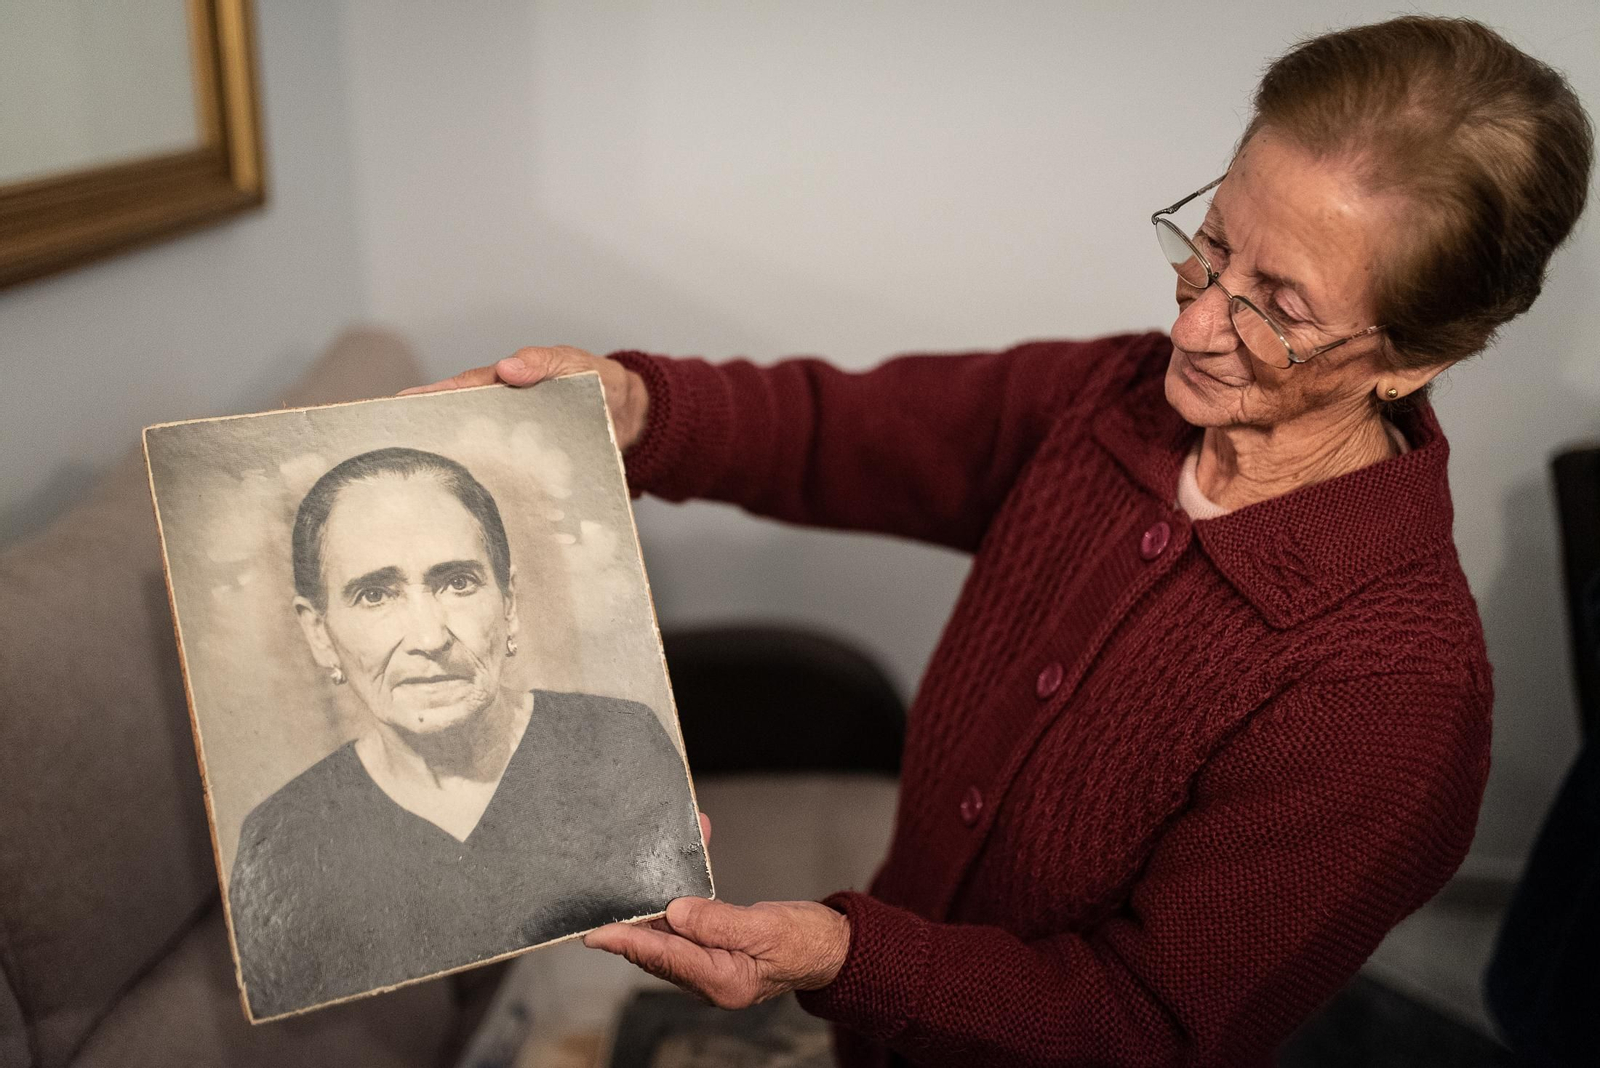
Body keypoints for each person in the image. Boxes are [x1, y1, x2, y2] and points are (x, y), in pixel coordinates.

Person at [413, 15, 1593, 1066]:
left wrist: (839, 958)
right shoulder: (1114, 398)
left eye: (1276, 308)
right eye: (1210, 240)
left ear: (1413, 359)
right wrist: (638, 408)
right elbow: (841, 431)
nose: (1189, 319)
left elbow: (1143, 1020)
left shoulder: (1391, 698)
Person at [227, 447, 711, 1021]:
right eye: (375, 594)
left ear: (508, 604)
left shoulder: (620, 744)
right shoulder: (284, 842)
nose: (429, 636)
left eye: (457, 582)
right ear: (320, 635)